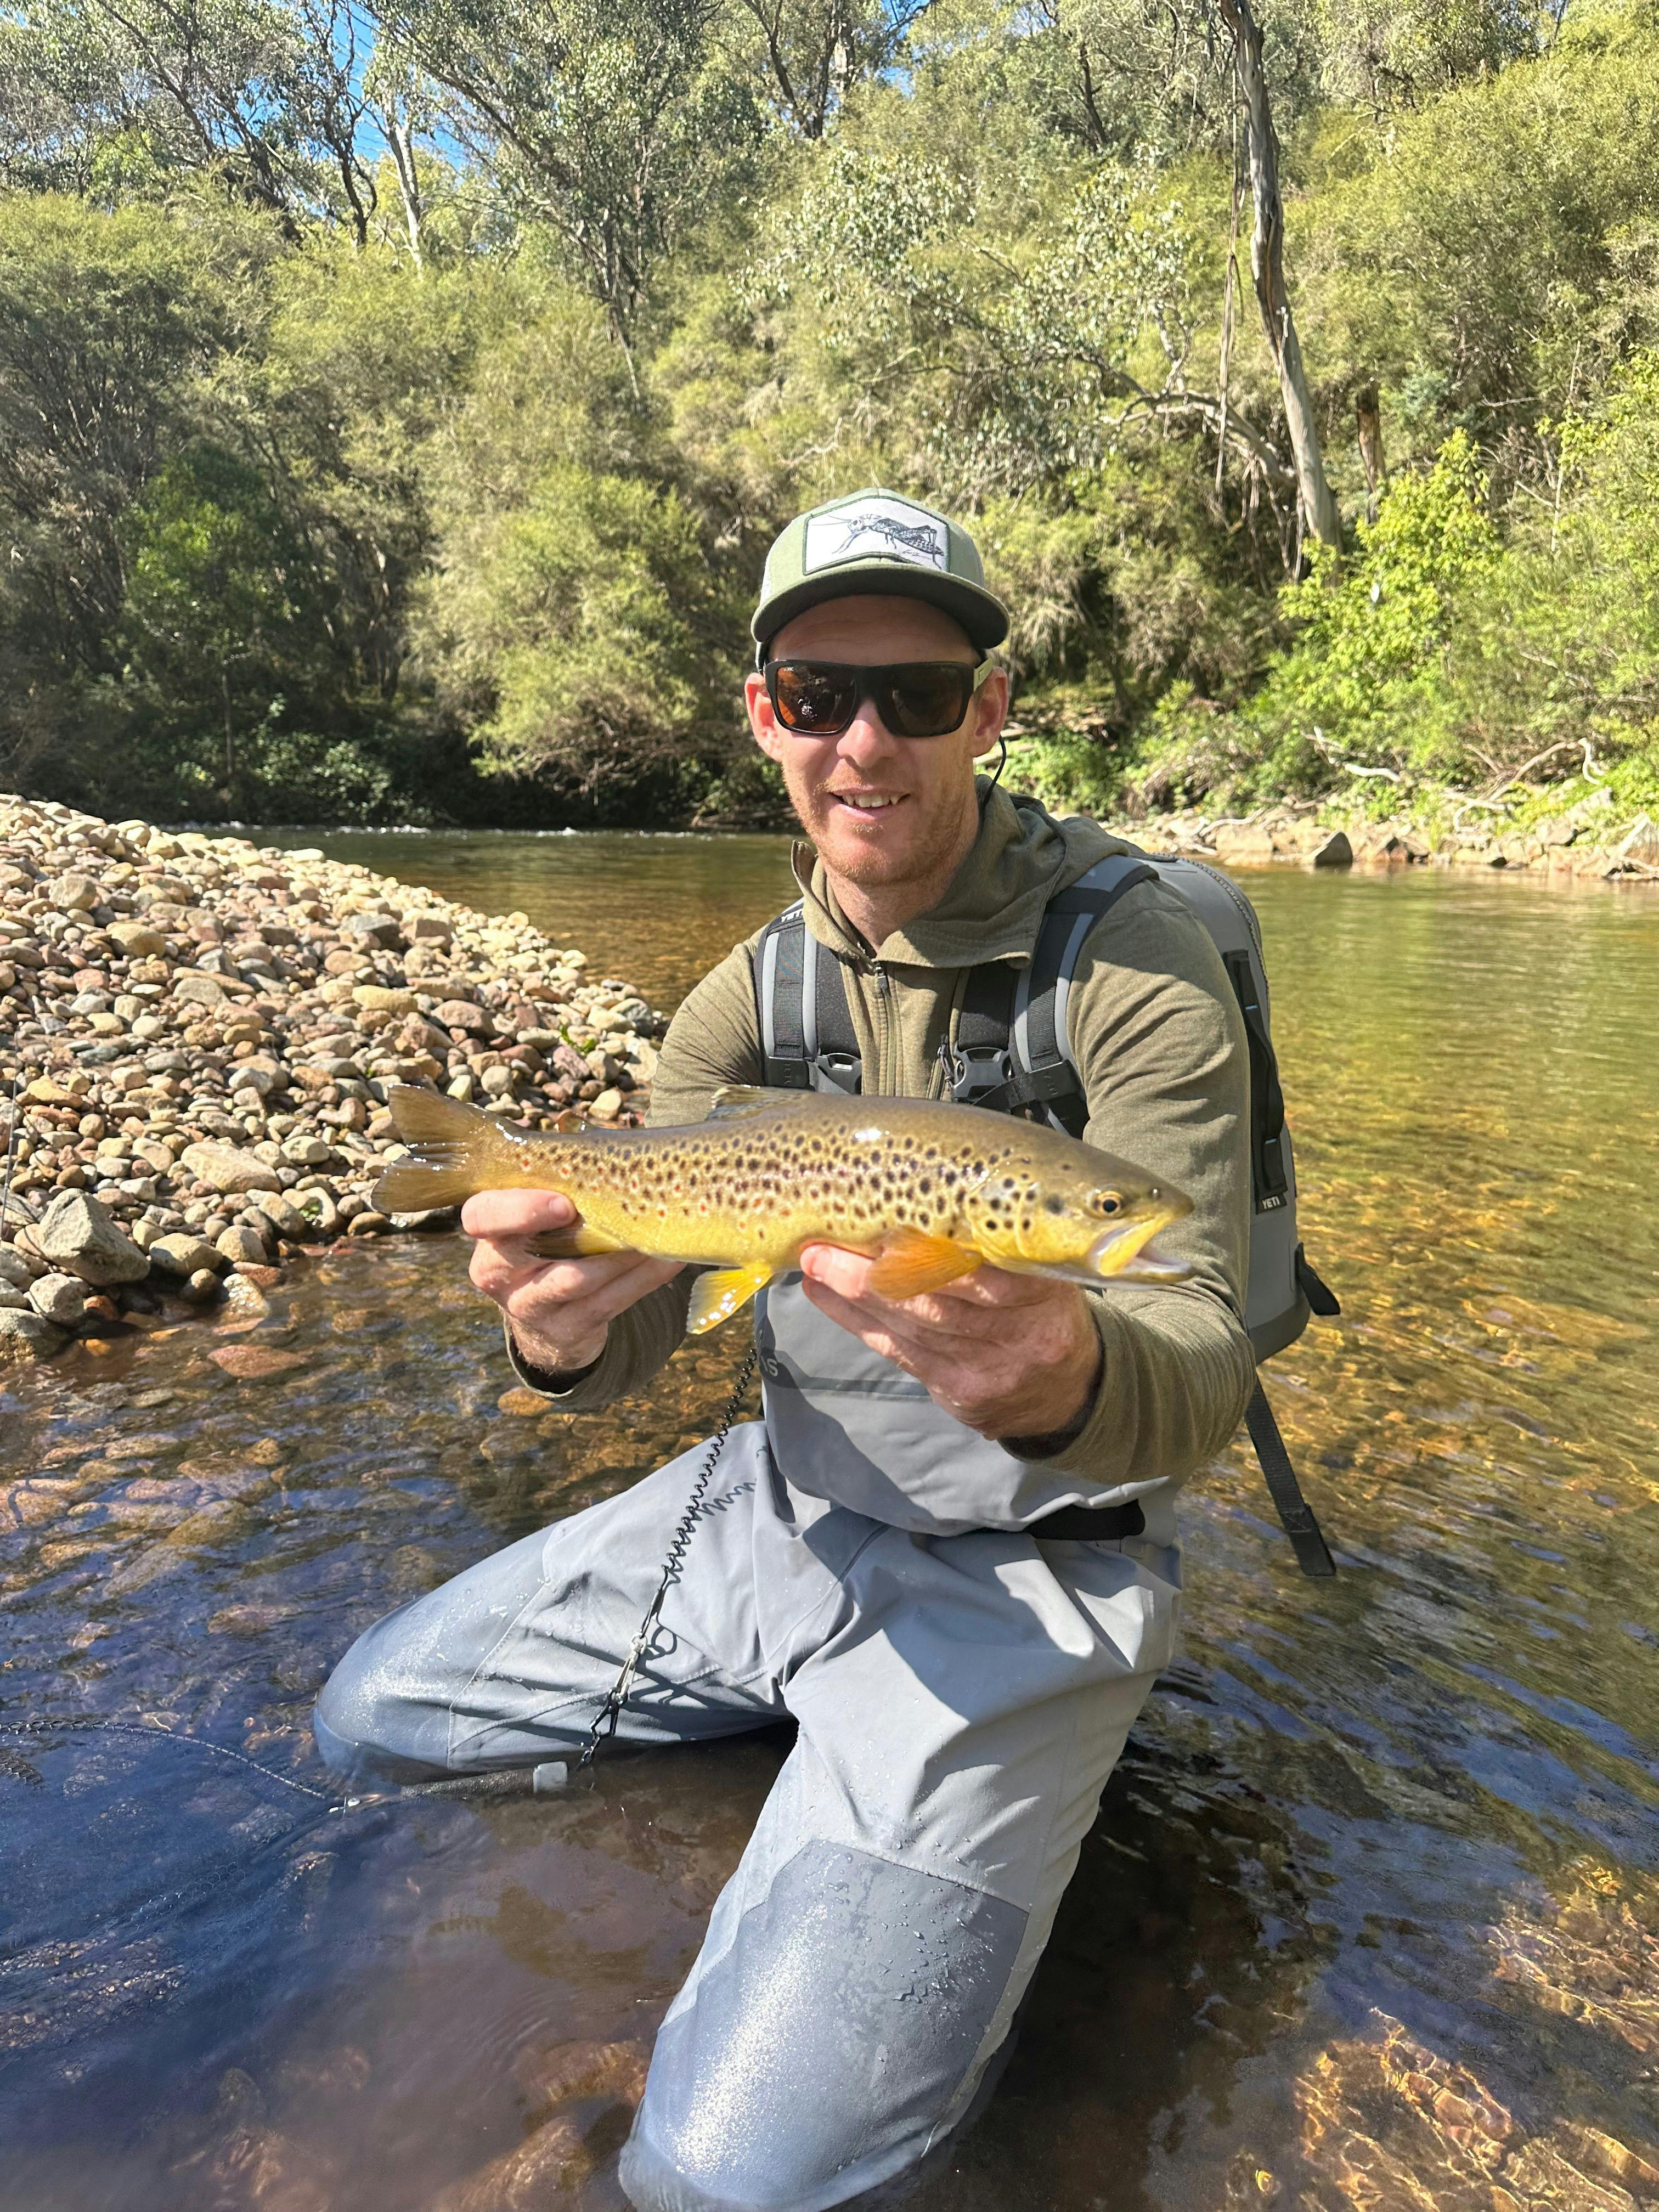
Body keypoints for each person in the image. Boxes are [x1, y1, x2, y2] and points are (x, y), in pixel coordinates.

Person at [314, 488, 1256, 2211]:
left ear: (989, 705)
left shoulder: (1139, 967)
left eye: (917, 691)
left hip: (1028, 1574)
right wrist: (553, 1336)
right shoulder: (743, 1002)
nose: (866, 741)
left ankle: (955, 1804)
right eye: (819, 695)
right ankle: (804, 1757)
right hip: (780, 1508)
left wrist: (1063, 1376)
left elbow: (1205, 1344)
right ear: (766, 718)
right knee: (371, 1720)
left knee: (723, 2181)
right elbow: (642, 1314)